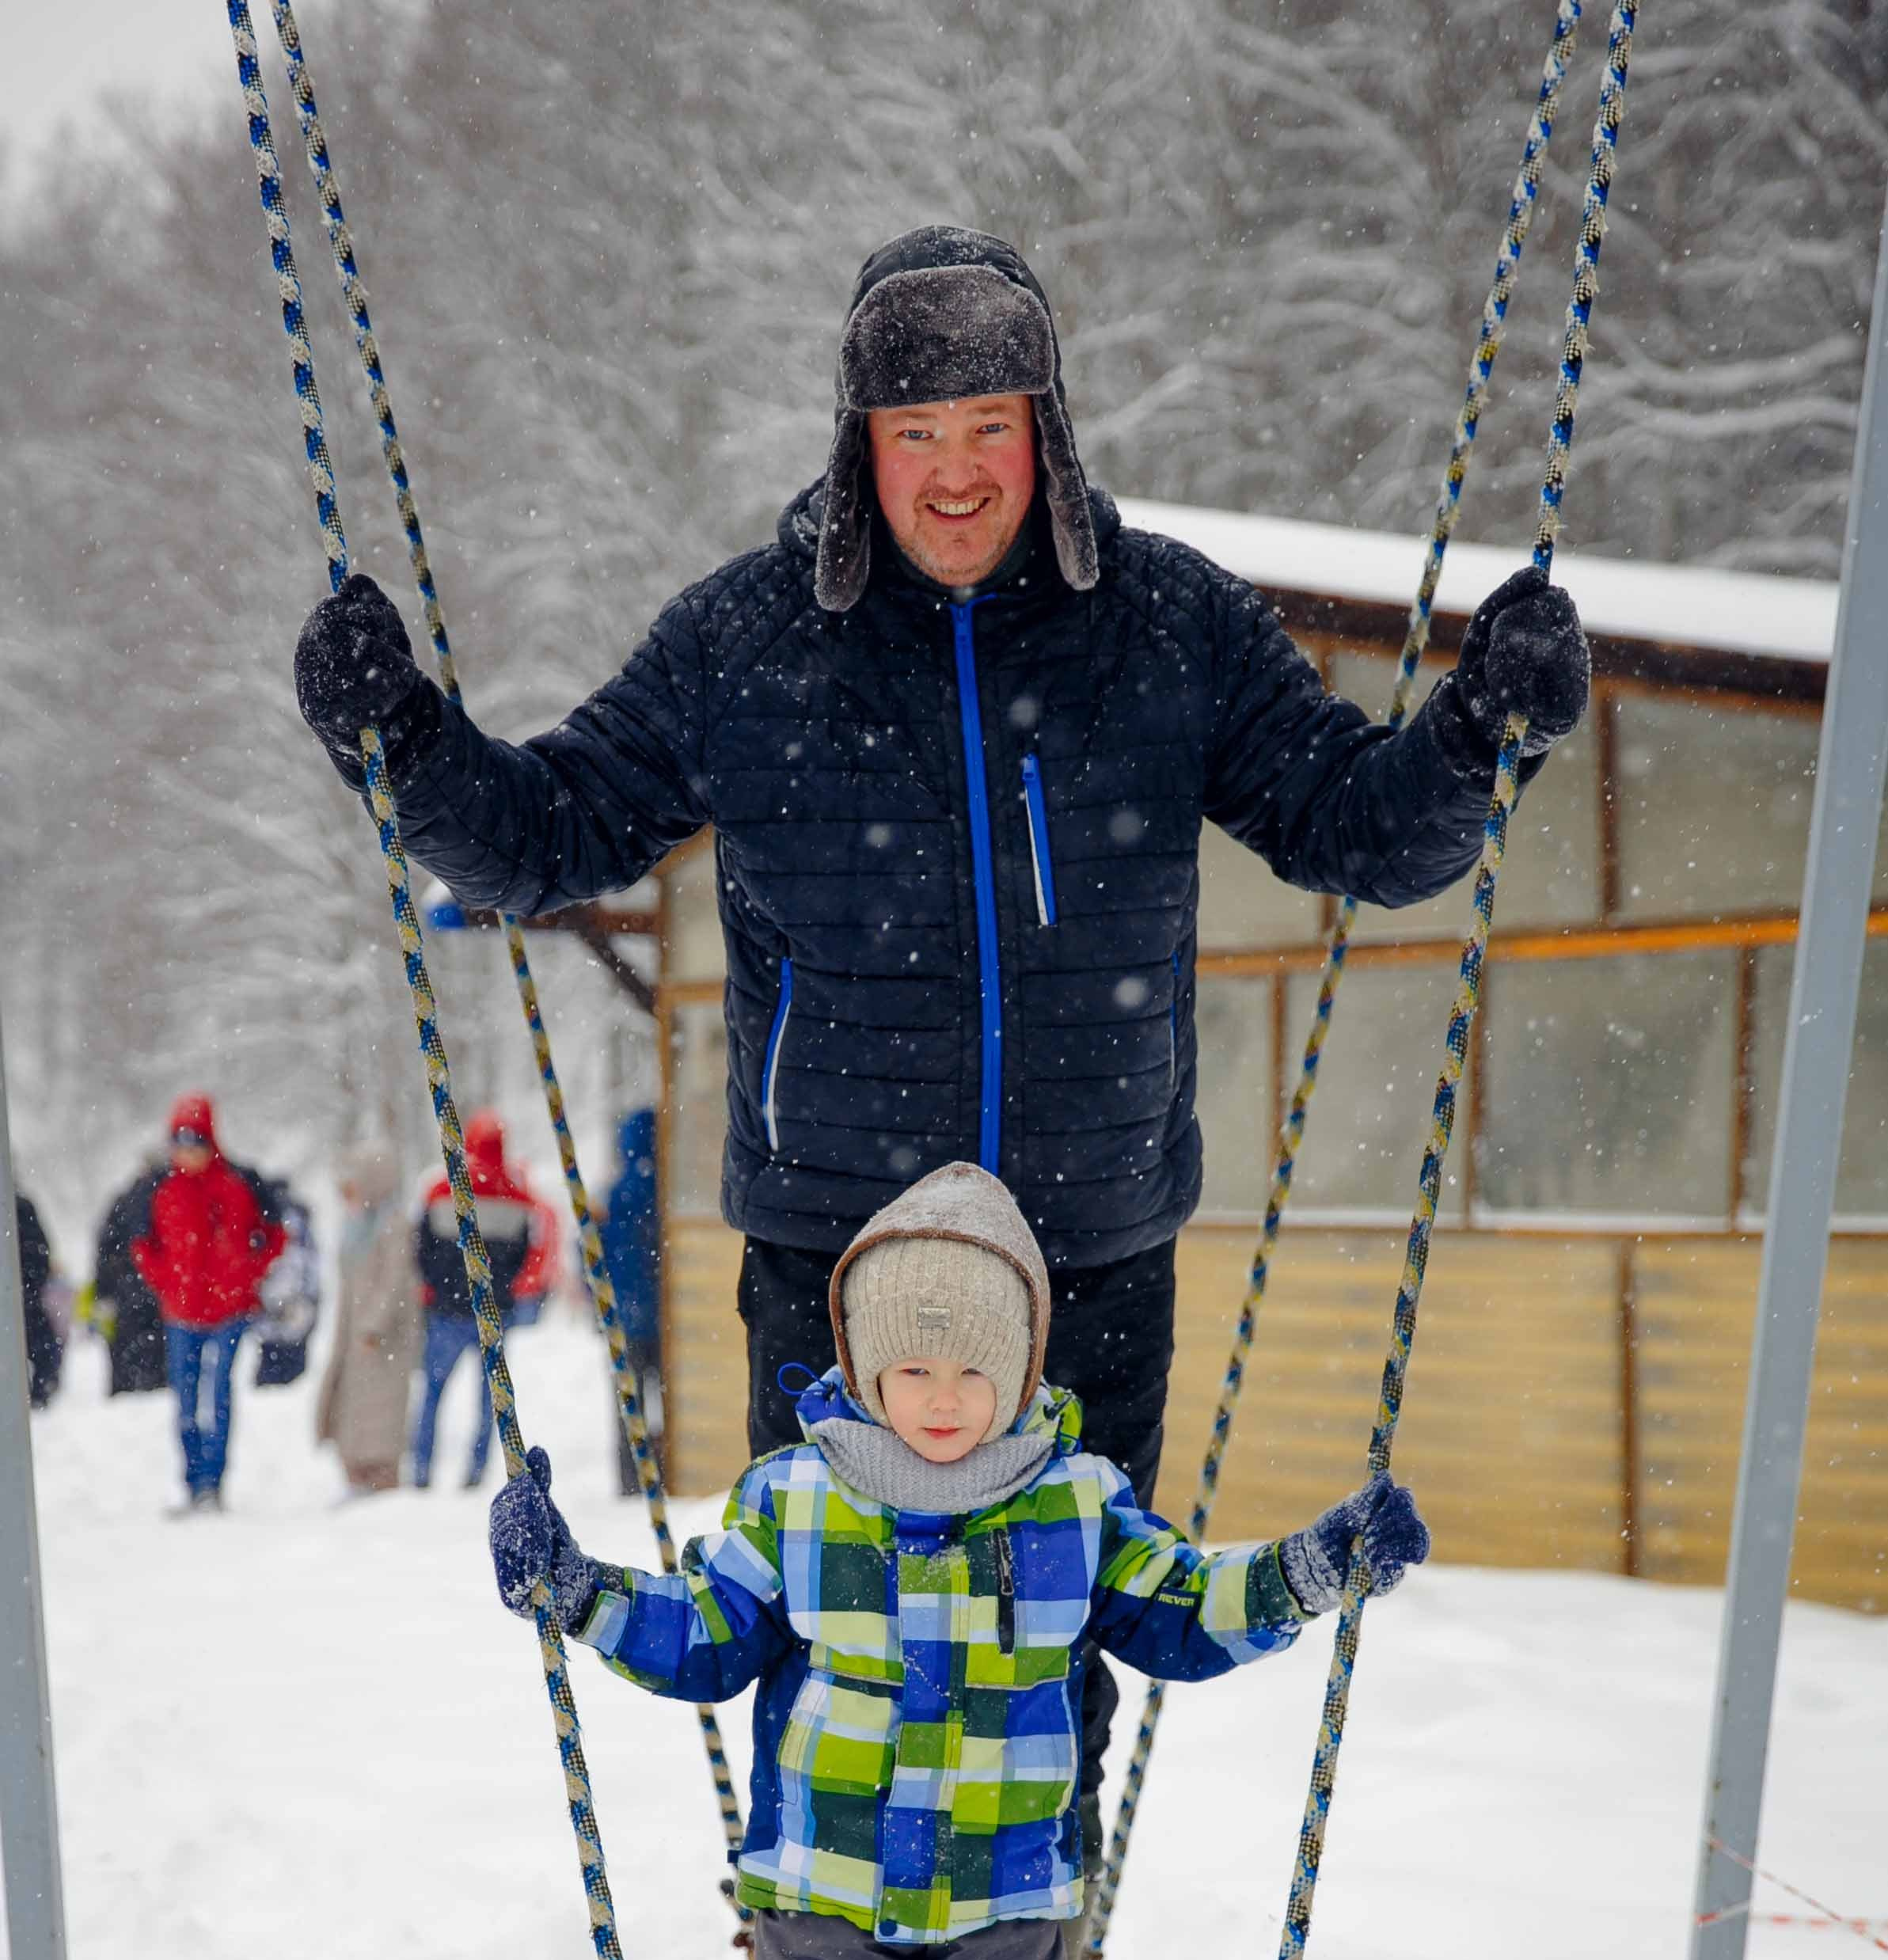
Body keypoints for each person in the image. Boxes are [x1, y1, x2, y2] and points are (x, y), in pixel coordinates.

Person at [294, 222, 1587, 1849]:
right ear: (860, 451)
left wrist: (1482, 734)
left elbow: (1359, 828)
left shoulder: (1166, 626)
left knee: (1059, 1658)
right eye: (918, 436)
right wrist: (398, 738)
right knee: (827, 1647)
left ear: (1047, 431)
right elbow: (545, 832)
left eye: (990, 428)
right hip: (833, 1266)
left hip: (1088, 1265)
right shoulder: (745, 644)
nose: (956, 474)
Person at [486, 1162, 1429, 1960]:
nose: (943, 1400)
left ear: (1024, 1368)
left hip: (1003, 1889)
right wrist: (578, 1586)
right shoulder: (794, 1497)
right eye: (914, 1370)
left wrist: (1311, 1569)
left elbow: (1186, 1610)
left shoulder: (1074, 1501)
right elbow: (700, 1634)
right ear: (867, 1366)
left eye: (973, 1371)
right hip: (824, 1887)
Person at [131, 1095, 285, 1512]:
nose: (187, 1149)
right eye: (178, 1140)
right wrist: (167, 1283)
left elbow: (274, 1234)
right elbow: (141, 1245)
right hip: (181, 1314)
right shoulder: (160, 1190)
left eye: (195, 1139)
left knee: (217, 1395)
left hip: (229, 1314)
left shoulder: (238, 1184)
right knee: (184, 1398)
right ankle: (192, 1480)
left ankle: (213, 1484)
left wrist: (246, 1275)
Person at [411, 1110, 551, 1488]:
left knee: (433, 1393)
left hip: (446, 1311)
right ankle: (475, 1472)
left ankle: (422, 1470)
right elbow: (526, 1254)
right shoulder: (518, 1198)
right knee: (491, 1398)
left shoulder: (444, 1190)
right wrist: (500, 1289)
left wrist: (437, 1288)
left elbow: (421, 1247)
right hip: (493, 1311)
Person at [317, 1144, 420, 1495]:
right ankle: (355, 1474)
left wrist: (374, 1323)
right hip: (352, 1329)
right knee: (352, 1405)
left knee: (381, 1409)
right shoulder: (356, 1224)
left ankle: (381, 1477)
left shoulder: (393, 1224)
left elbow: (395, 1280)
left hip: (383, 1335)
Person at [601, 1106, 663, 1490]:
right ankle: (671, 1470)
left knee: (628, 1403)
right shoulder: (667, 1189)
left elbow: (593, 1252)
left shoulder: (612, 1196)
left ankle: (630, 1477)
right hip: (669, 1320)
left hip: (626, 1319)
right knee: (672, 1401)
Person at [89, 1162, 169, 1393]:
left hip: (128, 1289)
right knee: (158, 1348)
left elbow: (105, 1249)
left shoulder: (124, 1202)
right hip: (155, 1290)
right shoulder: (165, 1199)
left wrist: (104, 1289)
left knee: (126, 1348)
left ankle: (126, 1389)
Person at [254, 1184, 322, 1388]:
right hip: (283, 1303)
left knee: (282, 1368)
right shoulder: (289, 1223)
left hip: (287, 1303)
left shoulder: (280, 1222)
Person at [15, 1195, 66, 1408]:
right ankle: (40, 1390)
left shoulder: (20, 1208)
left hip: (26, 1292)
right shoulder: (20, 1207)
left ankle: (38, 1391)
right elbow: (40, 1251)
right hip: (26, 1293)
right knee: (41, 1343)